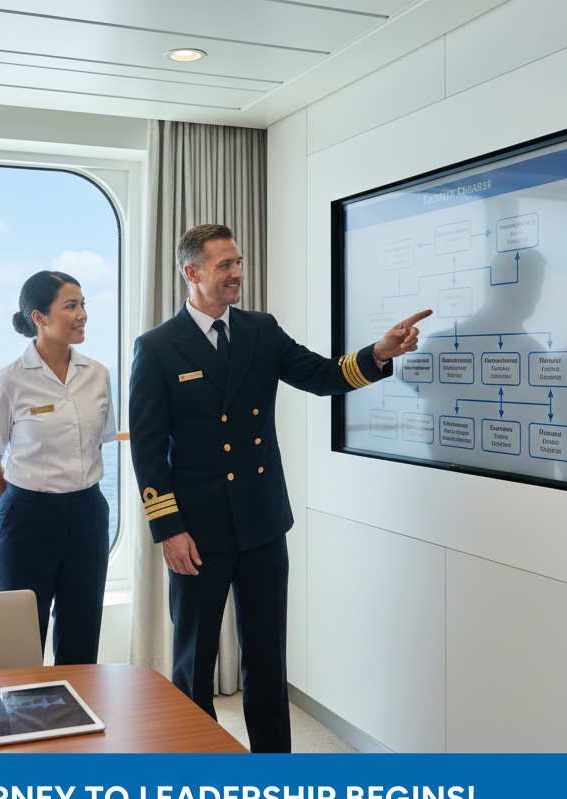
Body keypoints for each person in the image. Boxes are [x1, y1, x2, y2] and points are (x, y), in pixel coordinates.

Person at [128, 224, 430, 753]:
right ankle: (196, 768)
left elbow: (322, 375)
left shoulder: (261, 330)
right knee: (193, 661)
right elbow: (149, 454)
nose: (238, 273)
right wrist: (168, 530)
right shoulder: (156, 348)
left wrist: (379, 353)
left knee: (267, 659)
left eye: (238, 262)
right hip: (196, 532)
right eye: (224, 265)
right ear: (191, 273)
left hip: (263, 522)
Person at [0, 271, 117, 664]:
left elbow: (102, 441)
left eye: (83, 304)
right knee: (20, 635)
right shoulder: (7, 382)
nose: (82, 314)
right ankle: (18, 721)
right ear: (38, 317)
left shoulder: (98, 375)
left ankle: (76, 719)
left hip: (88, 513)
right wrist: (18, 510)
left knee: (82, 630)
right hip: (28, 516)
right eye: (71, 306)